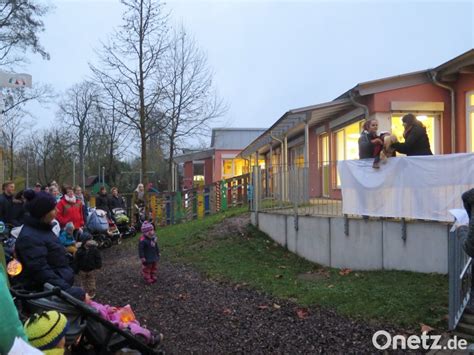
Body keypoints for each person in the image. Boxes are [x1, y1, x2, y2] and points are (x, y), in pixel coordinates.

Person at [14, 190, 85, 300]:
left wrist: (79, 259)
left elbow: (57, 259)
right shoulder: (29, 238)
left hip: (58, 288)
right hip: (48, 295)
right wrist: (69, 293)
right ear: (42, 213)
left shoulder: (44, 229)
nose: (57, 211)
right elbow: (42, 273)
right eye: (53, 209)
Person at [73, 232, 102, 298]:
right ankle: (84, 294)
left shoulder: (94, 249)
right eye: (89, 240)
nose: (91, 241)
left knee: (91, 281)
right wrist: (76, 269)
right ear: (84, 241)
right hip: (82, 270)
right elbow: (76, 260)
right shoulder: (79, 251)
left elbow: (98, 257)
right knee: (83, 282)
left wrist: (98, 265)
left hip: (91, 269)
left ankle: (92, 293)